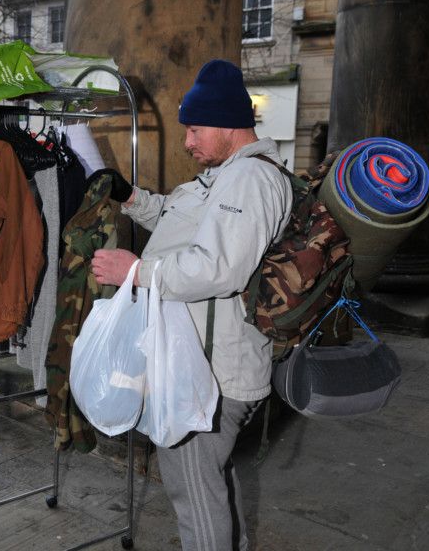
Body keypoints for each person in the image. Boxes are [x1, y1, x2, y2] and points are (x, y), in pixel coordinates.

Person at [90, 59, 293, 550]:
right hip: (202, 359)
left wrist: (134, 271)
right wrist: (131, 196)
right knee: (212, 481)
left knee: (193, 488)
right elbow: (179, 218)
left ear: (227, 124)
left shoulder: (250, 181)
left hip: (214, 372)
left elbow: (216, 267)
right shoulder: (227, 174)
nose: (187, 142)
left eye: (195, 129)